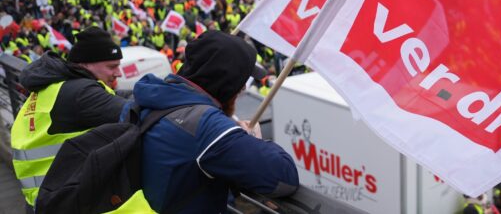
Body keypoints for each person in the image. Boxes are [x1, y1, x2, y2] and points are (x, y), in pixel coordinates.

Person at [131, 30, 299, 213]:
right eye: (241, 80)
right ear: (224, 79)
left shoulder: (145, 98)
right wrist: (254, 140)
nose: (243, 87)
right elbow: (285, 177)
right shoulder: (206, 127)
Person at [10, 26, 127, 207]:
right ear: (85, 64)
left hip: (44, 196)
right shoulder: (81, 94)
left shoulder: (58, 85)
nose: (118, 73)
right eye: (112, 66)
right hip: (64, 200)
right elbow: (132, 110)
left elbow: (115, 96)